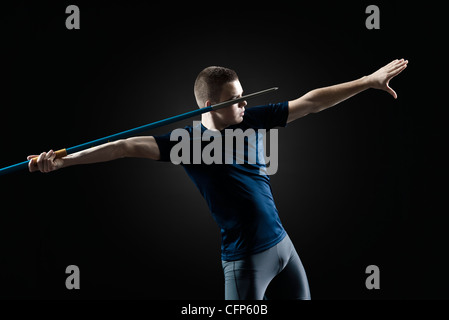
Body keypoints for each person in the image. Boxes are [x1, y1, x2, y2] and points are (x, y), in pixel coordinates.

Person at [28, 59, 408, 299]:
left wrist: (366, 80)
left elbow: (311, 101)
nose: (244, 103)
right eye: (236, 99)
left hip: (284, 247)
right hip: (246, 261)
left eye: (243, 96)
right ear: (212, 105)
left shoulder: (253, 119)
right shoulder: (186, 143)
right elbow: (124, 146)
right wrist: (63, 161)